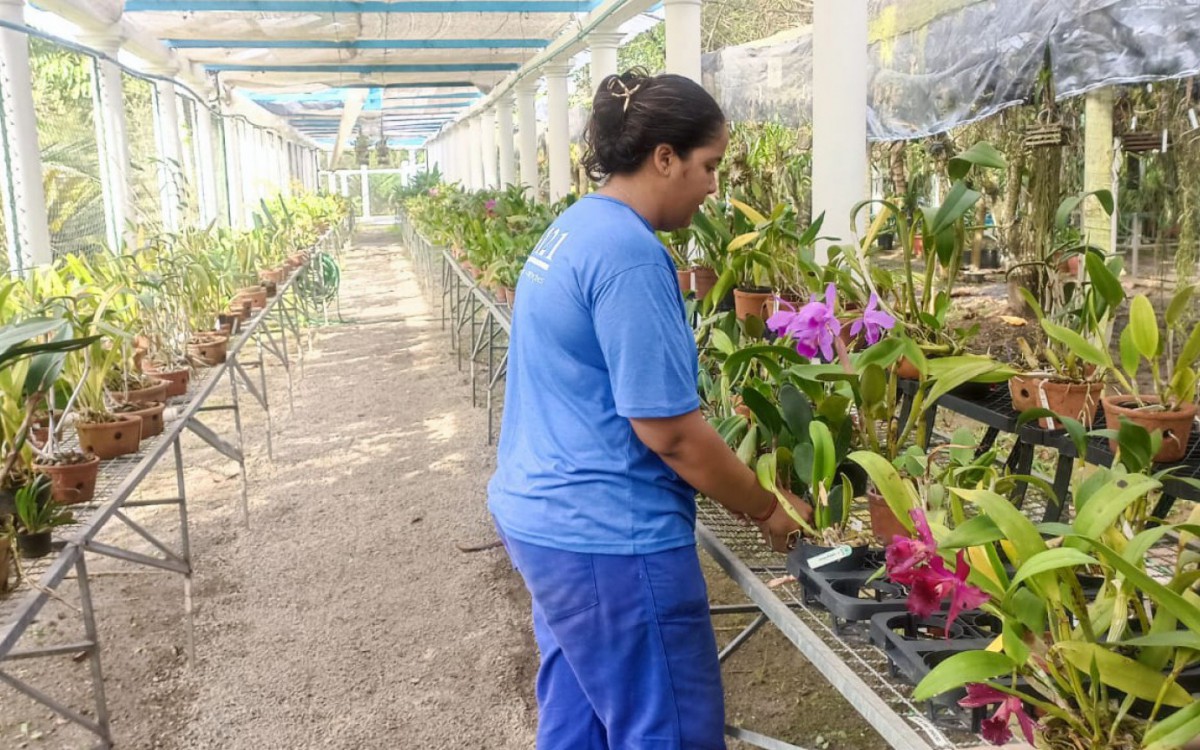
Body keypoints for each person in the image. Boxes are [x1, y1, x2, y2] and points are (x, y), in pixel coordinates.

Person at [487, 68, 807, 750]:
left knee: (582, 717)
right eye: (709, 165)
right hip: (608, 537)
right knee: (668, 731)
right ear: (665, 156)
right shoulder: (630, 255)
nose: (715, 184)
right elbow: (670, 433)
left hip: (545, 518)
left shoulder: (574, 227)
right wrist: (766, 507)